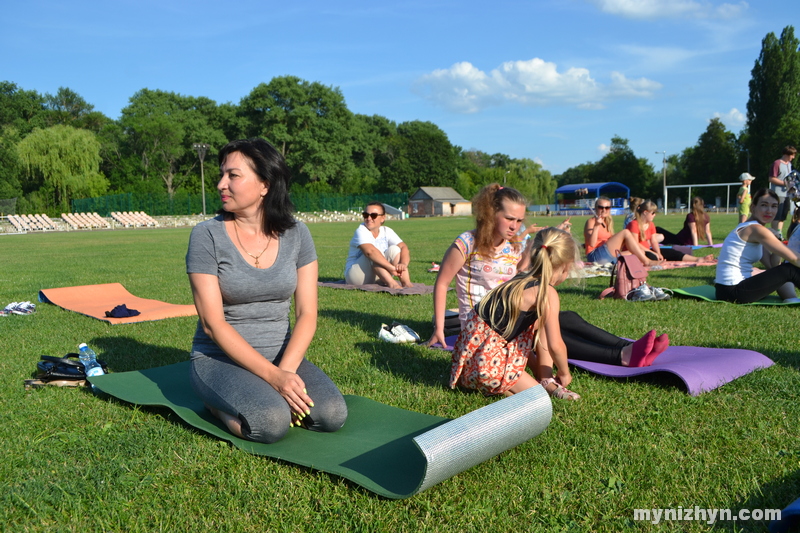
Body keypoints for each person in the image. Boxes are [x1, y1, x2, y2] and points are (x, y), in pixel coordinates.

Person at [186, 138, 347, 444]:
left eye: (233, 175)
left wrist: (284, 373)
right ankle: (215, 405)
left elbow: (307, 313)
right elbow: (212, 324)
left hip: (281, 357)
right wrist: (274, 379)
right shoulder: (206, 235)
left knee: (331, 415)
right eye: (222, 174)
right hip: (219, 360)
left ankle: (268, 392)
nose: (221, 184)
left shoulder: (297, 234)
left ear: (265, 185)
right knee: (272, 422)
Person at [449, 228, 669, 400]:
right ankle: (508, 386)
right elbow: (556, 345)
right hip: (487, 364)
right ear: (565, 267)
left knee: (536, 344)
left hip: (467, 362)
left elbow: (541, 338)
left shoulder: (519, 281)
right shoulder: (547, 293)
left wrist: (545, 374)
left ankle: (532, 382)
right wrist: (564, 372)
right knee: (538, 398)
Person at [427, 184, 531, 350]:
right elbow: (442, 283)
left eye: (519, 221)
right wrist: (439, 329)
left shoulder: (515, 246)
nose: (514, 226)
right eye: (509, 219)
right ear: (491, 213)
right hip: (477, 328)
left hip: (507, 323)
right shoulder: (467, 242)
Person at [715, 188, 800, 304]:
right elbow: (795, 258)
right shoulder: (755, 229)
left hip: (726, 290)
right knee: (790, 269)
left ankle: (791, 298)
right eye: (764, 205)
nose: (769, 211)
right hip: (732, 291)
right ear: (753, 207)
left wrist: (776, 242)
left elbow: (772, 265)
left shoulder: (753, 228)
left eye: (774, 206)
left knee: (784, 270)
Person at [343, 201, 412, 288]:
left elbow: (404, 247)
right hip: (356, 277)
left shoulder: (387, 231)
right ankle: (393, 284)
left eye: (373, 215)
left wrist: (403, 264)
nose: (368, 218)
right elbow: (370, 252)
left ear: (383, 218)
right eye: (365, 215)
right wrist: (391, 268)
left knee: (395, 249)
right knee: (374, 254)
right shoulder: (361, 230)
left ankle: (406, 283)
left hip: (378, 274)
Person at [626, 200, 714, 263]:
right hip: (637, 252)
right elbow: (636, 245)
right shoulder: (634, 224)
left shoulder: (651, 224)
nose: (655, 215)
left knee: (672, 252)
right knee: (652, 256)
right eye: (653, 213)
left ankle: (697, 259)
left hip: (648, 250)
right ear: (645, 212)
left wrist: (658, 253)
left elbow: (654, 241)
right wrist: (653, 253)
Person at [583, 196, 655, 266]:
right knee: (625, 232)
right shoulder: (591, 221)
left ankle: (643, 261)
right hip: (595, 256)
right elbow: (592, 244)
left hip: (607, 254)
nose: (604, 210)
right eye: (601, 207)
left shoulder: (607, 222)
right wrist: (596, 226)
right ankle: (647, 262)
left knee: (639, 252)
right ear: (596, 208)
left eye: (607, 208)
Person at [769, 145, 797, 235]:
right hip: (778, 193)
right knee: (777, 215)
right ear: (787, 154)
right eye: (792, 155)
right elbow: (771, 178)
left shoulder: (789, 164)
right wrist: (785, 183)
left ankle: (779, 233)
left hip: (787, 194)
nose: (793, 157)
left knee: (783, 216)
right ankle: (774, 234)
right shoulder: (777, 163)